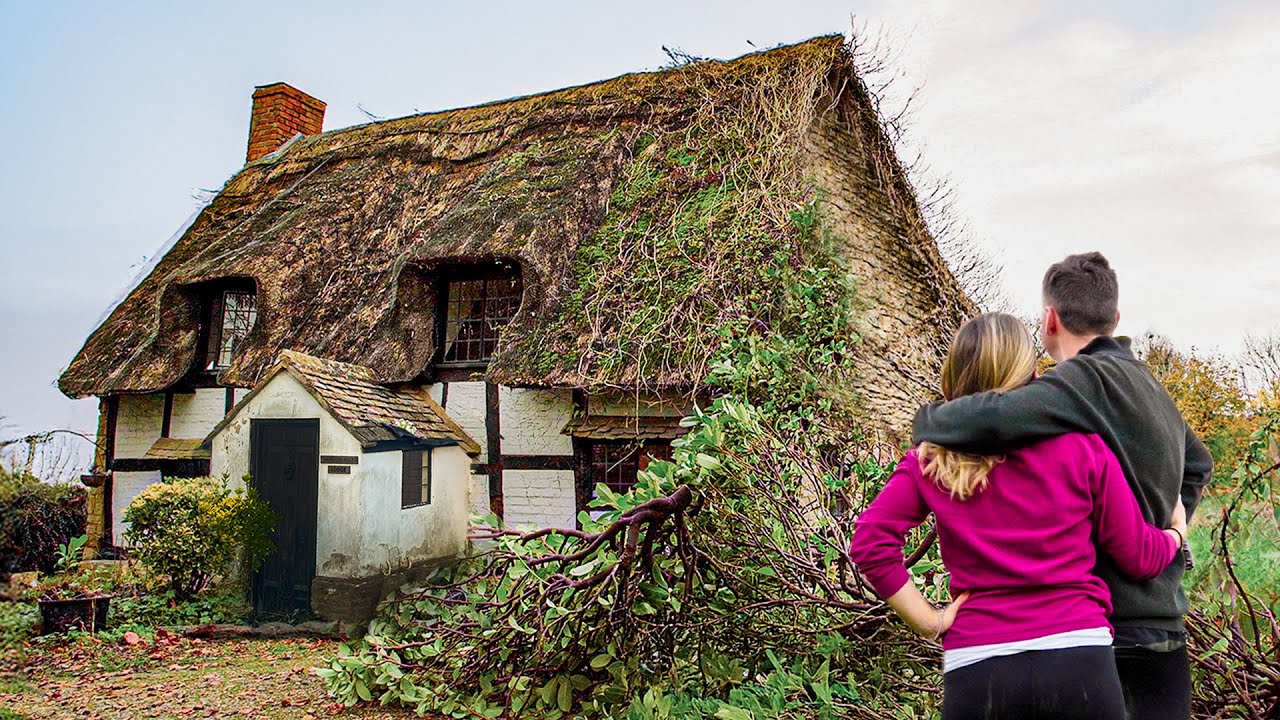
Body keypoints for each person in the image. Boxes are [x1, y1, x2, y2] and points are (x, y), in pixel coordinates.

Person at [912, 252, 1212, 719]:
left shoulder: (1076, 383)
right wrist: (1171, 525)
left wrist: (928, 419)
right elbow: (1198, 462)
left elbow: (989, 416)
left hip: (1101, 627)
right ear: (1114, 319)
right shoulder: (1149, 385)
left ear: (1050, 320)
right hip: (1164, 623)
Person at [849, 312, 1186, 719]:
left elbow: (870, 543)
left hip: (978, 665)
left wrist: (930, 621)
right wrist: (1175, 534)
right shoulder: (1083, 448)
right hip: (1078, 657)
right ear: (1028, 373)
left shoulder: (931, 460)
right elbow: (1138, 557)